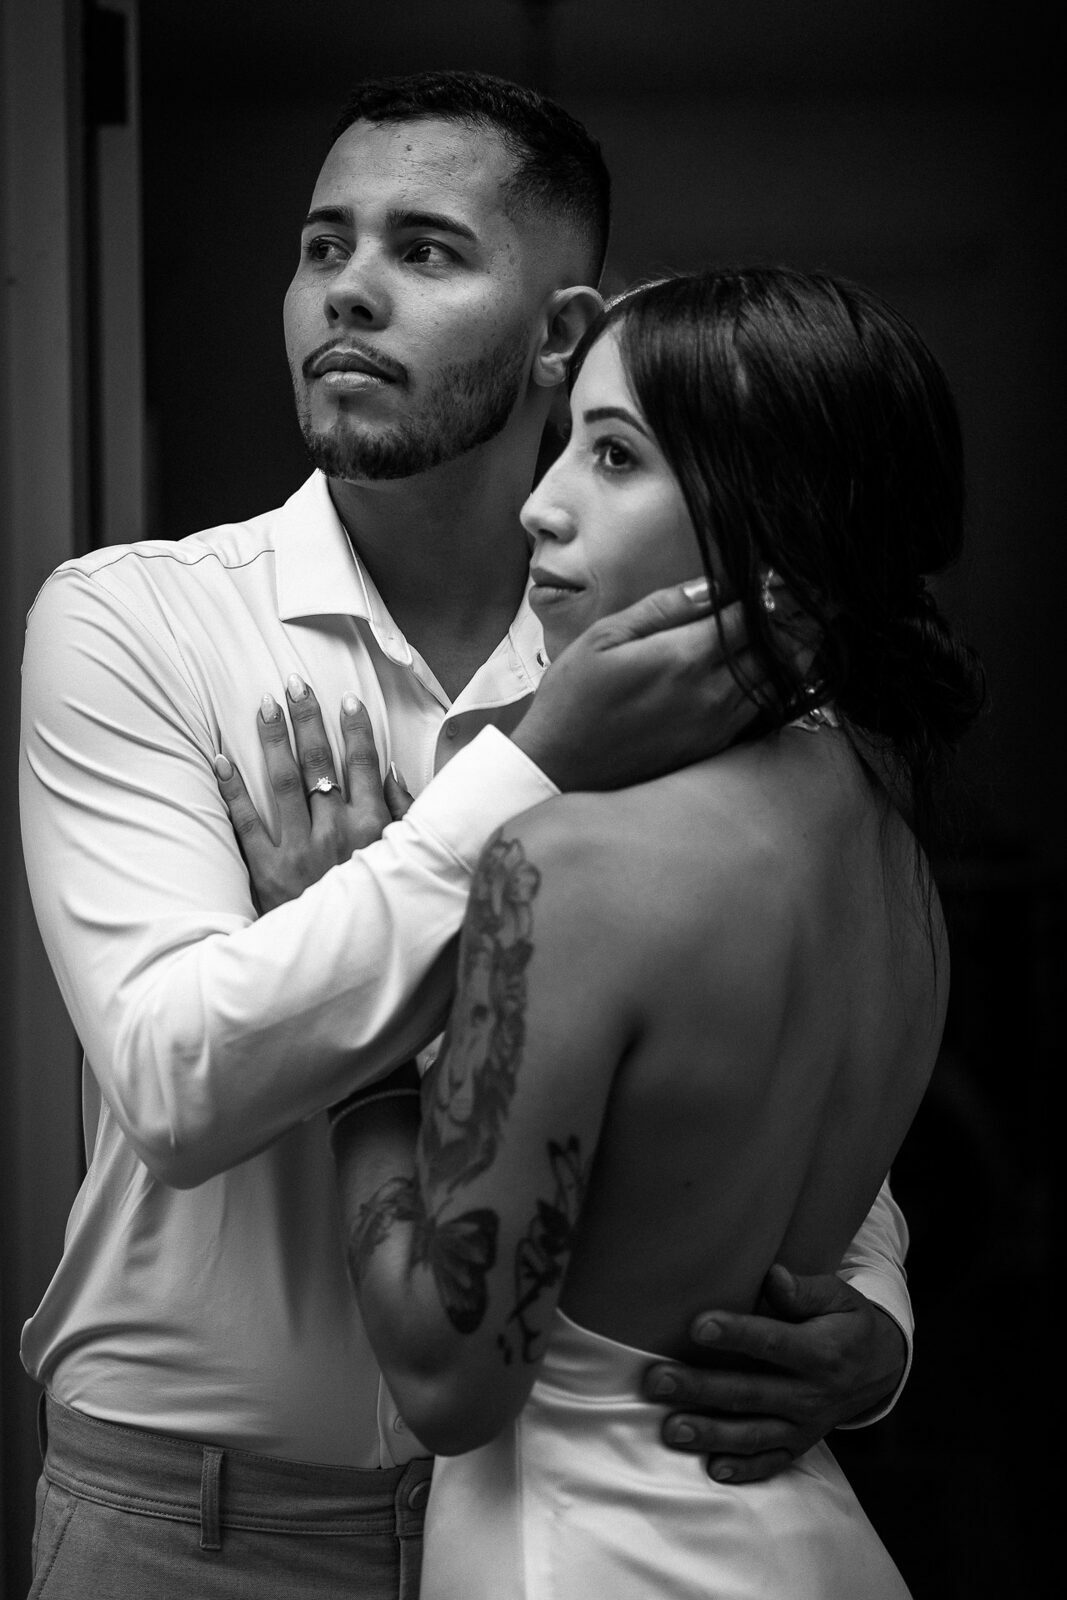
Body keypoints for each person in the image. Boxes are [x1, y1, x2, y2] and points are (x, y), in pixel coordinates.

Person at [19, 72, 911, 1598]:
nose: (347, 289)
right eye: (322, 245)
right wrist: (526, 772)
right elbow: (174, 1078)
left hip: (553, 1511)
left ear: (563, 334)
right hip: (197, 1529)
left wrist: (877, 1314)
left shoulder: (670, 649)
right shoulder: (134, 623)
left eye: (424, 249)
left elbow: (769, 1032)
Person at [246, 266, 982, 1597]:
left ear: (782, 536)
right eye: (569, 439)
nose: (541, 502)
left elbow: (445, 1378)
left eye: (616, 454)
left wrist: (357, 1041)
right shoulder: (899, 858)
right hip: (807, 1542)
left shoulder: (573, 868)